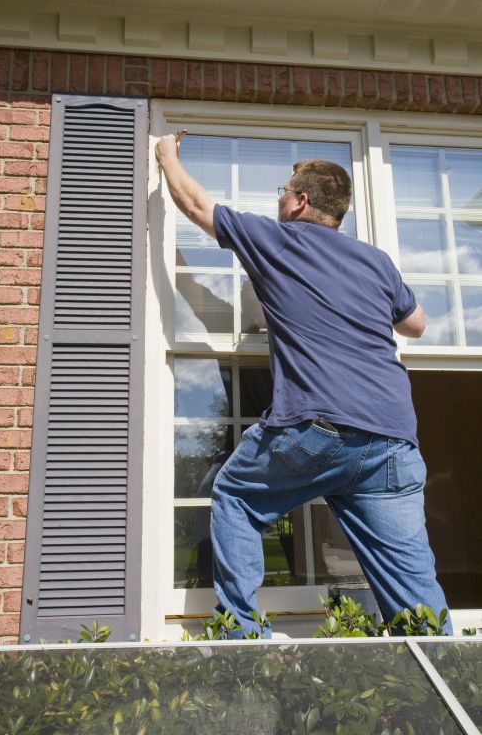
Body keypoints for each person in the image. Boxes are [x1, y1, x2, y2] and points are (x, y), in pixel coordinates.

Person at [155, 133, 453, 637]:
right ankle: (441, 668)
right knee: (413, 590)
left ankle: (242, 639)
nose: (279, 200)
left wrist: (165, 154)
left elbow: (197, 206)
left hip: (318, 426)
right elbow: (416, 324)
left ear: (300, 201)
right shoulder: (375, 260)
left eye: (282, 192)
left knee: (235, 495)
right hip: (392, 438)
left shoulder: (280, 240)